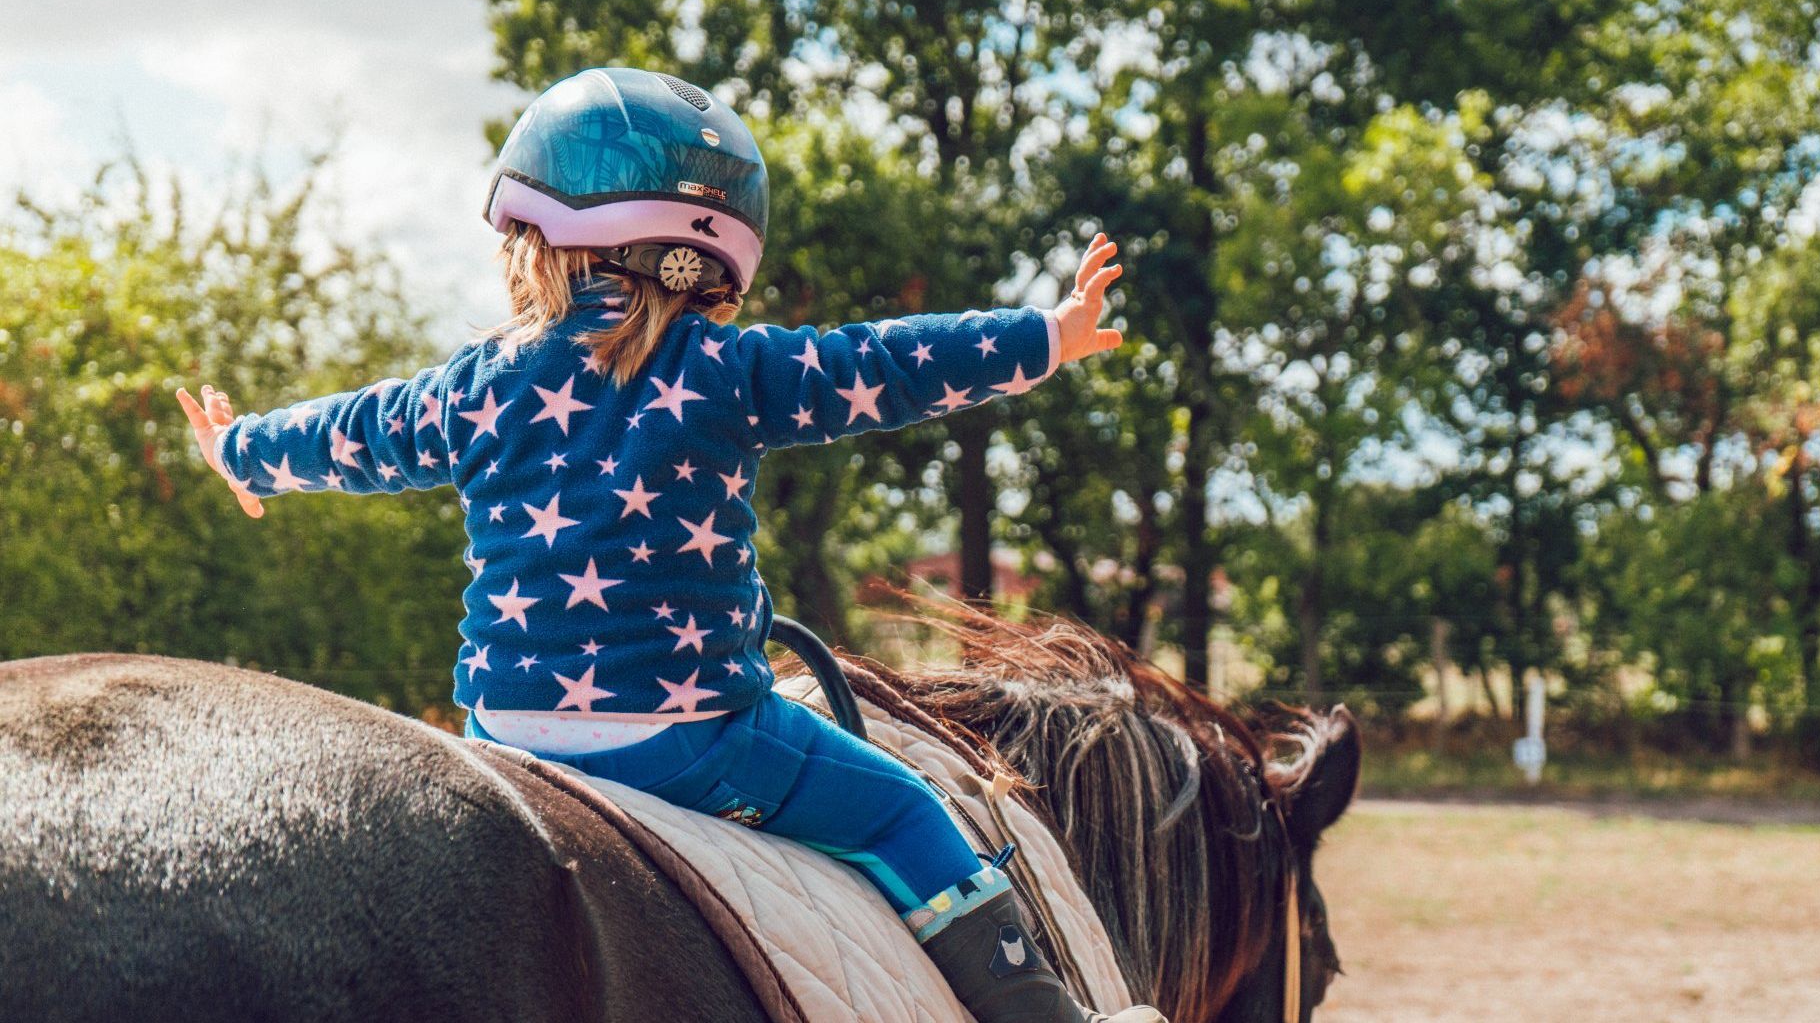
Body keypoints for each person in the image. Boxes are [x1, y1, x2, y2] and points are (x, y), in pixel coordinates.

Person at [178, 67, 1159, 1023]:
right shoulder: (728, 368)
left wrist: (242, 450)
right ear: (713, 258)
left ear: (537, 238)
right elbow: (887, 361)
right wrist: (1047, 337)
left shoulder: (473, 386)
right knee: (904, 813)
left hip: (507, 733)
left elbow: (359, 431)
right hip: (689, 738)